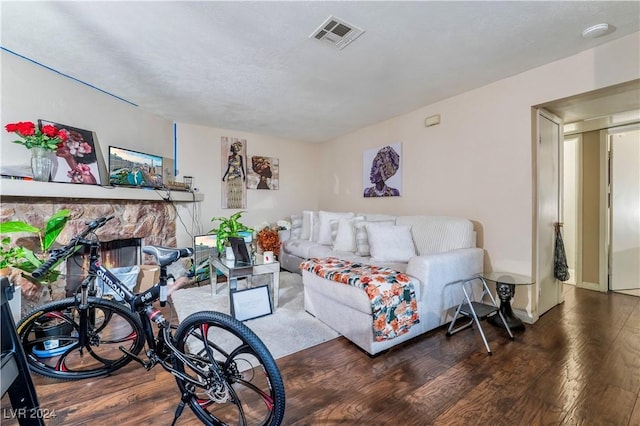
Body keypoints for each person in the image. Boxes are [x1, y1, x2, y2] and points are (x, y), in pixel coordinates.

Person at [222, 141, 245, 208]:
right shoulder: (229, 157)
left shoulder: (240, 157)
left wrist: (244, 175)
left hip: (238, 175)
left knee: (238, 191)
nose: (231, 149)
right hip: (231, 176)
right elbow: (228, 167)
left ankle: (237, 205)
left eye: (232, 148)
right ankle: (231, 205)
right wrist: (224, 176)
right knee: (231, 191)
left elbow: (242, 166)